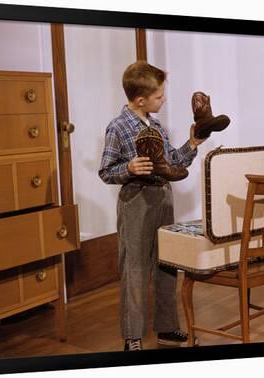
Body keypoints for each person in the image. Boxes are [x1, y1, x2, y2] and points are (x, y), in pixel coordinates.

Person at [99, 61, 207, 351]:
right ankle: (132, 335)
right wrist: (130, 167)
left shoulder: (156, 126)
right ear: (141, 99)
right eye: (159, 96)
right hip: (136, 201)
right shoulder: (118, 127)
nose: (164, 99)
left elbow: (173, 162)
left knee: (166, 265)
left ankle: (167, 328)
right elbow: (106, 171)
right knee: (134, 267)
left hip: (162, 198)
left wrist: (193, 144)